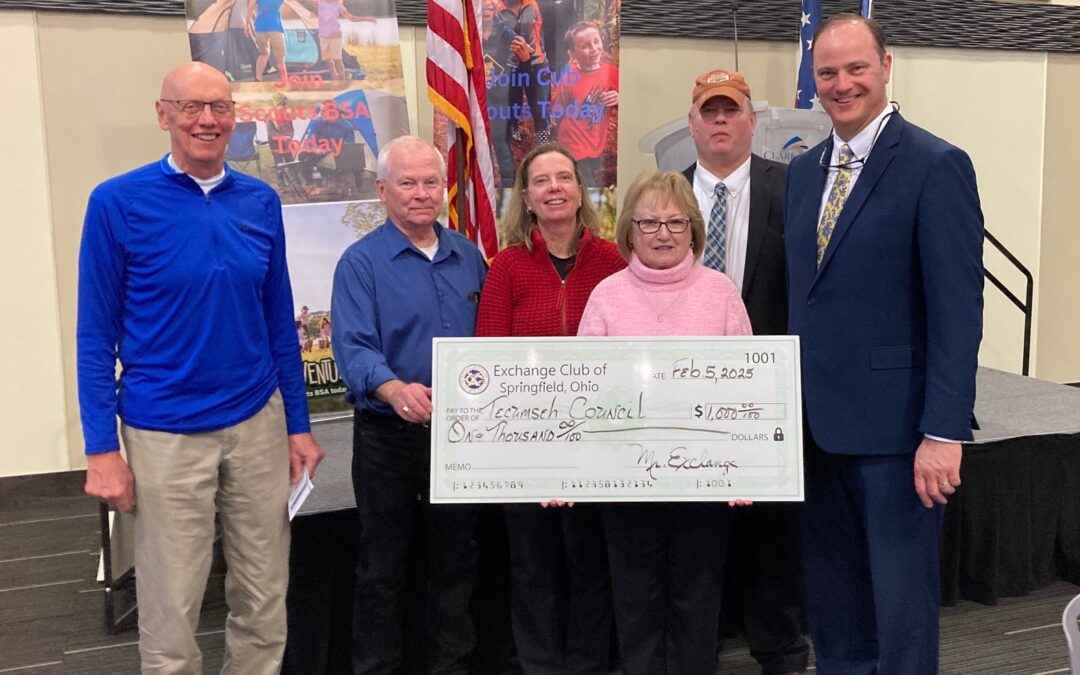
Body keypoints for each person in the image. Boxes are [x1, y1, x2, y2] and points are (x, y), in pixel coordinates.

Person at [77, 61, 325, 674]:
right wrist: (101, 450)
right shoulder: (116, 203)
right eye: (190, 107)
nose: (206, 120)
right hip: (164, 429)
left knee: (265, 594)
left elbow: (277, 326)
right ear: (163, 115)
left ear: (235, 119)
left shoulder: (260, 201)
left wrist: (297, 424)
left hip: (257, 421)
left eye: (219, 107)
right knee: (172, 602)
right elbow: (93, 336)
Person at [785, 14, 983, 673]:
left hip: (899, 438)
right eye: (828, 73)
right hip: (814, 434)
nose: (842, 84)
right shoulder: (804, 173)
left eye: (856, 69)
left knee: (900, 618)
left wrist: (944, 431)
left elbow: (958, 312)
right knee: (835, 613)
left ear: (887, 66)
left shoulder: (936, 164)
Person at [577, 170, 752, 675]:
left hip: (704, 479)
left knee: (697, 600)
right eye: (649, 221)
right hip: (625, 483)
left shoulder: (720, 292)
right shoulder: (607, 295)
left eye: (676, 221)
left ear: (693, 229)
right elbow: (582, 393)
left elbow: (748, 390)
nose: (662, 233)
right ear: (629, 230)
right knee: (635, 600)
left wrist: (749, 468)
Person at [330, 136, 488, 674]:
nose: (422, 194)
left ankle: (453, 666)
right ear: (382, 190)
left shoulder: (469, 257)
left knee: (456, 560)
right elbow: (352, 347)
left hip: (458, 435)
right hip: (386, 437)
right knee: (383, 567)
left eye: (431, 182)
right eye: (407, 183)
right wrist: (394, 390)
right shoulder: (359, 263)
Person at [475, 142, 624, 674]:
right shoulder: (508, 267)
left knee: (590, 563)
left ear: (581, 192)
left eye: (565, 177)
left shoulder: (613, 260)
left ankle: (587, 664)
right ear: (528, 199)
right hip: (527, 449)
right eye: (542, 181)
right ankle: (539, 664)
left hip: (596, 445)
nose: (555, 187)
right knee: (533, 564)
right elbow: (490, 355)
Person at [683, 69, 809, 675]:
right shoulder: (667, 198)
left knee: (769, 534)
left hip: (768, 395)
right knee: (695, 540)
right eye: (710, 111)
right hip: (685, 398)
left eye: (731, 110)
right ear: (693, 124)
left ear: (752, 121)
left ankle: (780, 652)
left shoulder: (793, 187)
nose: (720, 121)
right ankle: (696, 648)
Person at [550, 22, 619, 187]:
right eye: (585, 46)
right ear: (572, 54)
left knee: (596, 175)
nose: (594, 48)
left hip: (596, 142)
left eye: (596, 41)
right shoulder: (569, 78)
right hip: (572, 141)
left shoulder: (612, 73)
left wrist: (619, 98)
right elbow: (557, 110)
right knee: (588, 185)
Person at [498, 0, 551, 144]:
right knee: (514, 101)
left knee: (539, 104)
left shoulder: (532, 5)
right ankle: (513, 128)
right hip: (510, 64)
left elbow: (539, 31)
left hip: (535, 61)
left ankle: (542, 140)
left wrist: (541, 57)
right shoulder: (496, 6)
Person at [481, 0, 517, 187]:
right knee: (481, 146)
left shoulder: (506, 33)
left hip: (501, 102)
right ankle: (485, 190)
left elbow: (521, 57)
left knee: (501, 145)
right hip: (477, 102)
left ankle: (508, 188)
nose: (487, 4)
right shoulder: (469, 33)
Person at [316, 0, 376, 81]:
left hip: (335, 35)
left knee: (337, 60)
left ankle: (342, 80)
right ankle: (334, 77)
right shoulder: (320, 3)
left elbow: (351, 18)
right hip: (323, 36)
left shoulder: (338, 5)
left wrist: (367, 19)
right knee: (328, 60)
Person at [246, 0, 288, 85]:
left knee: (263, 54)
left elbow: (250, 8)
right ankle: (284, 80)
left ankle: (258, 79)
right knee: (280, 58)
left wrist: (247, 25)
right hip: (274, 27)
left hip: (260, 26)